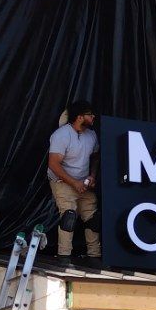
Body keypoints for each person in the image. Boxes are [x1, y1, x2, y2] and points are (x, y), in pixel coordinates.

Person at [47, 100, 101, 265]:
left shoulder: (91, 135)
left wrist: (92, 176)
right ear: (79, 117)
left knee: (93, 218)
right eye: (89, 114)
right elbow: (53, 164)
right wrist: (74, 183)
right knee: (69, 215)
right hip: (62, 181)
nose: (93, 117)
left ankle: (95, 255)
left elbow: (95, 157)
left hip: (83, 183)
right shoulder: (61, 135)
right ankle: (63, 256)